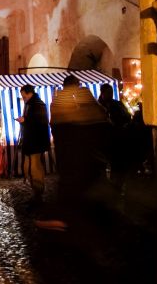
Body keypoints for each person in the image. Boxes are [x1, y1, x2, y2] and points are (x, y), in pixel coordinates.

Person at [38, 75, 108, 230]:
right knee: (85, 183)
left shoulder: (58, 101)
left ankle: (70, 218)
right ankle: (89, 220)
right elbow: (101, 116)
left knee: (72, 183)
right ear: (76, 84)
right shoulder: (81, 97)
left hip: (69, 153)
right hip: (84, 153)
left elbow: (55, 125)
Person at [17, 85, 50, 204]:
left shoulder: (38, 104)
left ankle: (38, 194)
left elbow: (39, 122)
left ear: (28, 93)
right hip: (31, 141)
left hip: (36, 143)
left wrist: (25, 121)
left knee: (35, 167)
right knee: (31, 167)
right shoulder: (31, 103)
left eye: (23, 94)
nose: (22, 97)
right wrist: (24, 121)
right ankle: (36, 192)